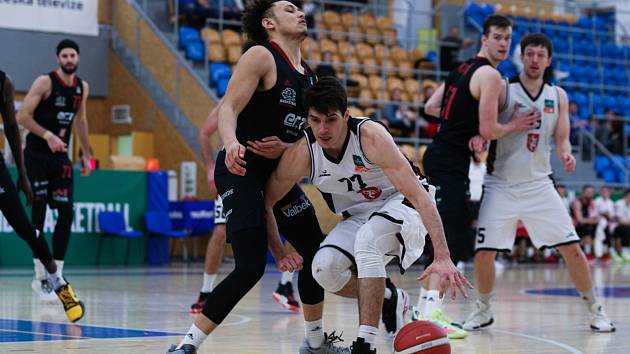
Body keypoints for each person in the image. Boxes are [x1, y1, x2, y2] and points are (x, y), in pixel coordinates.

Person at [166, 2, 347, 353]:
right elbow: (229, 109)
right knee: (249, 267)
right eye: (289, 8)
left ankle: (314, 343)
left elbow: (305, 136)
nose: (299, 12)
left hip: (277, 176)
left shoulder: (308, 75)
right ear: (269, 22)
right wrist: (232, 144)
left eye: (299, 8)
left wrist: (288, 146)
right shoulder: (262, 56)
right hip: (241, 169)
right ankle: (187, 345)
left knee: (317, 254)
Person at [263, 77, 472, 354]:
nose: (323, 129)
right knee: (323, 269)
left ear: (346, 116)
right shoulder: (303, 153)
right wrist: (277, 250)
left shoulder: (370, 136)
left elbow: (419, 196)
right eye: (315, 120)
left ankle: (365, 345)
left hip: (402, 205)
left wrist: (442, 255)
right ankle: (390, 298)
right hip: (359, 216)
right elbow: (266, 201)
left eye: (331, 120)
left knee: (368, 239)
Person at [461, 33, 614, 333]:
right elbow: (486, 126)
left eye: (540, 55)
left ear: (549, 60)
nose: (534, 60)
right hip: (501, 184)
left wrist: (567, 156)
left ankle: (595, 309)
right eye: (529, 54)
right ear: (522, 56)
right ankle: (483, 309)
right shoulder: (503, 89)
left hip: (539, 185)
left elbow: (562, 140)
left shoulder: (558, 95)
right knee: (484, 254)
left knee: (572, 249)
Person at [421, 14, 539, 334]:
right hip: (450, 162)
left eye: (508, 39)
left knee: (444, 239)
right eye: (498, 37)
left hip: (438, 155)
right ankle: (429, 316)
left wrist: (468, 127)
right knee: (450, 243)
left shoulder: (460, 68)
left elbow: (431, 107)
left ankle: (425, 311)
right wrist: (515, 124)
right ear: (484, 39)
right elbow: (490, 128)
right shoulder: (490, 76)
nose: (503, 44)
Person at [191, 98, 299, 314]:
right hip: (237, 174)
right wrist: (209, 165)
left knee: (294, 221)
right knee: (221, 232)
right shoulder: (234, 98)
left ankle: (286, 284)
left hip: (270, 173)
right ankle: (205, 291)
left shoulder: (282, 92)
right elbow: (204, 132)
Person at [1, 70, 84, 322]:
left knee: (26, 227)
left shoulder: (4, 81)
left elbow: (12, 126)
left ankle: (58, 282)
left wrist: (22, 174)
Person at [17, 39, 92, 302]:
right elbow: (22, 116)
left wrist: (88, 154)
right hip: (36, 155)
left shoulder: (82, 88)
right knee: (38, 213)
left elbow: (81, 121)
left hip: (61, 158)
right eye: (65, 55)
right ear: (57, 58)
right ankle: (40, 277)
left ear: (78, 58)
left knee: (66, 212)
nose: (69, 59)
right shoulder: (44, 82)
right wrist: (48, 134)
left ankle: (57, 275)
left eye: (73, 55)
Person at [572, 185, 600, 262]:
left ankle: (594, 252)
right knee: (588, 227)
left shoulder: (592, 203)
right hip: (575, 226)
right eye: (588, 192)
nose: (590, 194)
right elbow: (579, 219)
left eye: (591, 192)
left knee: (597, 227)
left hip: (587, 224)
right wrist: (593, 221)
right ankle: (587, 254)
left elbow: (597, 218)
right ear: (583, 192)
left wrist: (593, 221)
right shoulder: (577, 202)